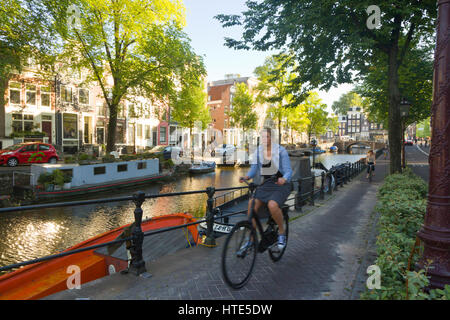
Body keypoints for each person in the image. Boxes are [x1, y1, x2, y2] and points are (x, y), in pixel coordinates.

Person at [239, 128, 293, 252]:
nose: (264, 139)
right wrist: (247, 177)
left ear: (271, 138)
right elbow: (254, 169)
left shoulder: (281, 151)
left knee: (272, 204)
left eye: (267, 137)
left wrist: (284, 179)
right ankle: (252, 240)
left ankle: (281, 233)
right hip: (267, 183)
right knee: (251, 205)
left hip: (281, 184)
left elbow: (288, 170)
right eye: (262, 137)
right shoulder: (258, 151)